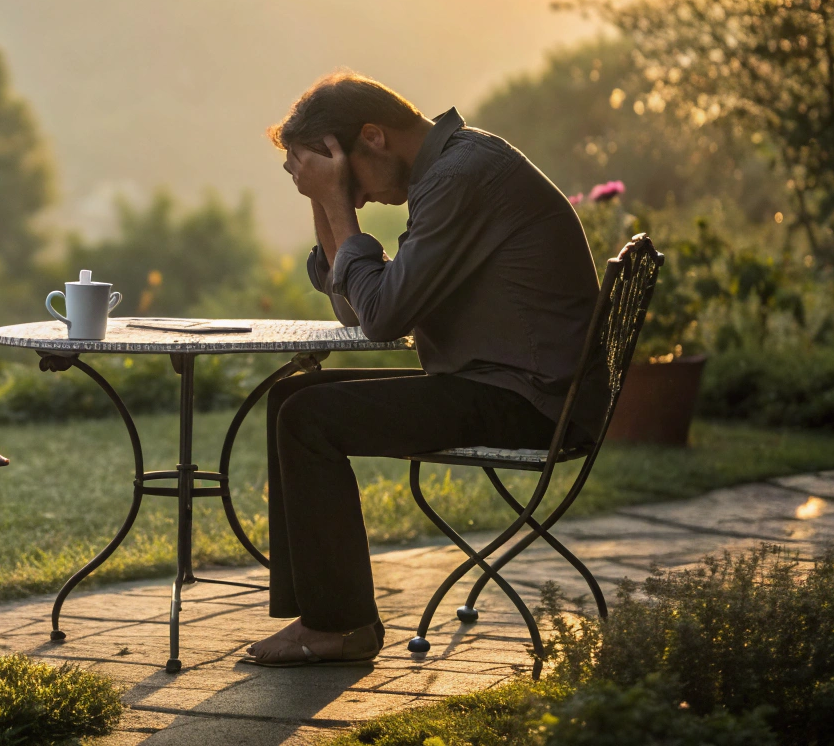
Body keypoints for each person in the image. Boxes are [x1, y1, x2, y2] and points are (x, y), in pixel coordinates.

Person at [241, 71, 599, 667]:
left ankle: (340, 627)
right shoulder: (450, 170)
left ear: (374, 137)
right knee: (293, 399)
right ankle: (324, 617)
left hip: (532, 400)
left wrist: (334, 205)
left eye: (347, 179)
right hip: (499, 382)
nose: (353, 198)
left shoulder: (460, 178)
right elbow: (357, 312)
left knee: (309, 416)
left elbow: (381, 318)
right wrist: (322, 203)